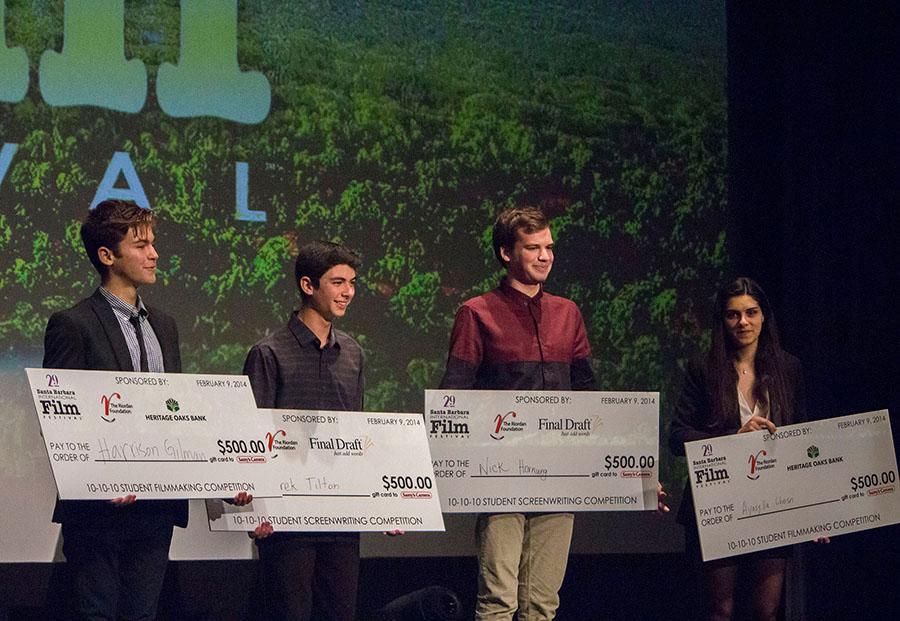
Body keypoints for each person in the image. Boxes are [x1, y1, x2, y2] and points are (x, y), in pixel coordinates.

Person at [439, 206, 596, 620]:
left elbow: (589, 396)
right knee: (498, 600)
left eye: (549, 247)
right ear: (507, 253)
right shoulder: (477, 313)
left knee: (542, 603)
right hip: (500, 476)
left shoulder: (568, 314)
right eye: (533, 248)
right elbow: (454, 396)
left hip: (559, 475)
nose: (545, 256)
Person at [43, 200, 186, 620]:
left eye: (153, 244)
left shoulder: (166, 325)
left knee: (143, 615)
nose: (154, 253)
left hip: (155, 505)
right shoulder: (74, 324)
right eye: (141, 245)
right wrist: (97, 479)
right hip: (99, 510)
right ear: (107, 256)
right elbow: (61, 417)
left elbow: (177, 412)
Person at [669, 277, 808, 621]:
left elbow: (803, 439)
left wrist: (814, 511)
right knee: (721, 610)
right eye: (733, 315)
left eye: (751, 313)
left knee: (766, 610)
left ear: (764, 317)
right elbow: (676, 436)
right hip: (719, 502)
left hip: (775, 502)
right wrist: (734, 438)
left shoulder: (789, 368)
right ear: (722, 321)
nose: (742, 322)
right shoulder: (704, 370)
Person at [243, 240, 365, 621]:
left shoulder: (353, 353)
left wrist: (382, 506)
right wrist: (255, 512)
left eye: (352, 282)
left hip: (341, 515)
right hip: (286, 519)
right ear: (308, 286)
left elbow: (357, 436)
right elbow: (251, 439)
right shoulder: (269, 353)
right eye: (337, 282)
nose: (348, 292)